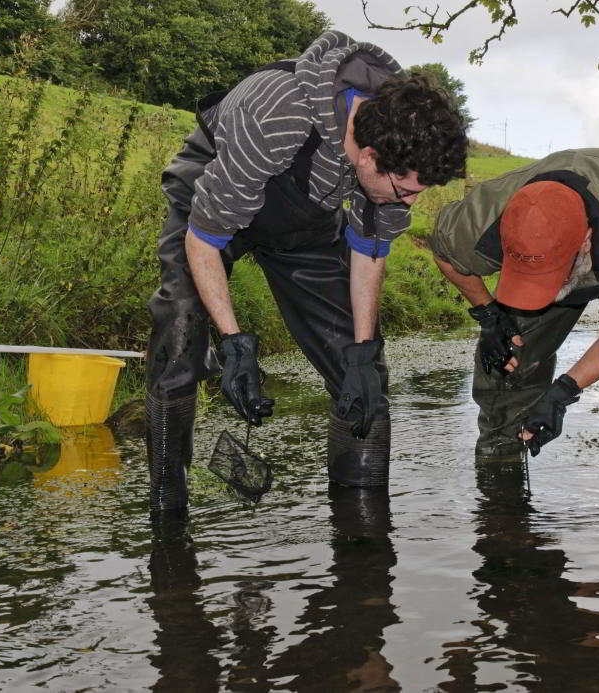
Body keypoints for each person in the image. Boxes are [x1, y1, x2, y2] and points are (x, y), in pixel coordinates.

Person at [144, 30, 467, 513]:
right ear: (369, 156)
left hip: (303, 219)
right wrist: (233, 344)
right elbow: (205, 238)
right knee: (179, 332)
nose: (411, 202)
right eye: (405, 191)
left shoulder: (398, 140)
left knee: (364, 369)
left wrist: (360, 352)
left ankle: (362, 525)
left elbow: (369, 252)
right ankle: (167, 504)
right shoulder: (279, 114)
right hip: (214, 193)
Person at [430, 147, 599, 487]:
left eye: (550, 280)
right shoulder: (484, 216)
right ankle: (500, 470)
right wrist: (490, 315)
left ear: (586, 241)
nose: (547, 296)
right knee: (510, 356)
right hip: (569, 234)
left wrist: (563, 391)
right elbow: (445, 251)